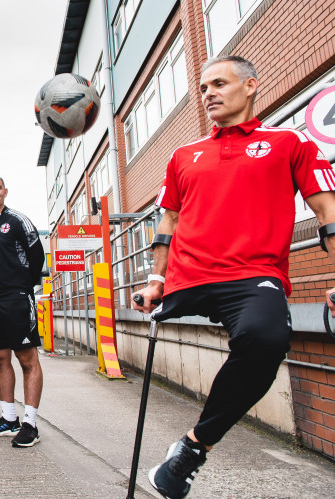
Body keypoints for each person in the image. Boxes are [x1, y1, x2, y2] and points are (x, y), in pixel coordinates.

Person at [132, 56, 335, 499]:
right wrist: (154, 280)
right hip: (188, 277)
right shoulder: (184, 154)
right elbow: (167, 221)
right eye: (203, 87)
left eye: (219, 84)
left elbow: (327, 213)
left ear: (251, 86)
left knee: (266, 340)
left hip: (252, 274)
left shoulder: (288, 142)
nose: (208, 94)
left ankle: (191, 449)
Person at [0, 175, 46, 447]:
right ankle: (8, 419)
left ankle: (30, 424)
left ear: (5, 191)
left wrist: (24, 288)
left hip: (17, 298)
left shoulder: (18, 220)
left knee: (27, 359)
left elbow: (37, 257)